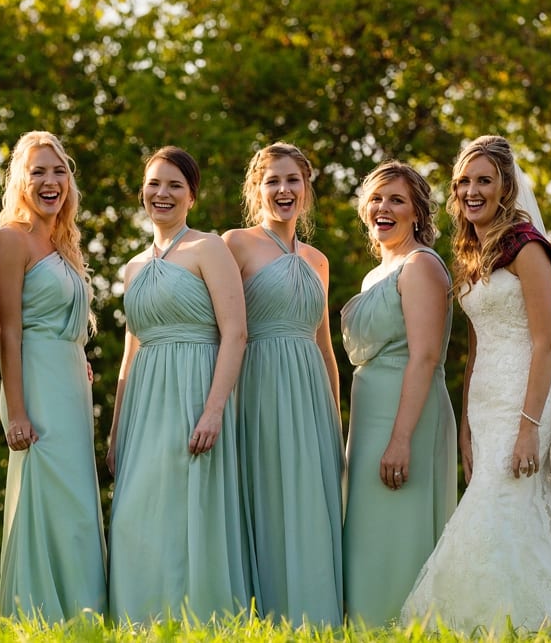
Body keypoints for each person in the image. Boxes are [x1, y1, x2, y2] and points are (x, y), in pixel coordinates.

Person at [401, 135, 551, 632]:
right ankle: (539, 617)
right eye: (464, 182)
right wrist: (467, 426)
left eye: (484, 181)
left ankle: (495, 619)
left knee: (497, 503)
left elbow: (546, 343)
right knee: (514, 511)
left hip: (525, 399)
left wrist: (528, 426)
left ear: (506, 187)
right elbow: (475, 350)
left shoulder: (528, 248)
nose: (472, 191)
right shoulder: (469, 253)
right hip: (486, 403)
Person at [107, 146, 249, 623]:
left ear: (192, 196)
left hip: (195, 390)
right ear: (142, 192)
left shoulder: (209, 248)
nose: (162, 193)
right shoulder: (132, 268)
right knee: (135, 513)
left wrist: (213, 410)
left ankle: (197, 620)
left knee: (188, 509)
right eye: (154, 184)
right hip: (144, 399)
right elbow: (130, 352)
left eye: (175, 185)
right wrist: (116, 430)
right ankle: (138, 622)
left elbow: (235, 332)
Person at [222, 142, 344, 627]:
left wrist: (335, 422)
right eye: (272, 181)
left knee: (311, 503)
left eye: (293, 180)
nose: (283, 189)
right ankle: (268, 617)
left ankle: (315, 618)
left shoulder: (319, 260)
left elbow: (325, 346)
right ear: (256, 189)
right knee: (267, 498)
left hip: (311, 396)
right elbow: (218, 331)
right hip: (258, 387)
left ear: (306, 189)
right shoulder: (235, 244)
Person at [0, 131, 107, 622]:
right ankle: (36, 615)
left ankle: (85, 615)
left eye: (58, 171)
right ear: (20, 180)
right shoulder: (10, 239)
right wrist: (16, 412)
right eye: (38, 172)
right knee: (45, 495)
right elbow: (8, 331)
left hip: (70, 384)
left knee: (76, 502)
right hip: (34, 384)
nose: (50, 181)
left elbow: (63, 317)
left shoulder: (64, 244)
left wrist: (76, 353)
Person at [340, 160, 457, 628]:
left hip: (406, 416)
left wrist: (401, 439)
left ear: (417, 212)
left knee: (401, 524)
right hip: (370, 414)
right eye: (376, 199)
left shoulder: (421, 265)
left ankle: (405, 626)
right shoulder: (375, 275)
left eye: (396, 200)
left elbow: (425, 357)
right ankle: (367, 625)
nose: (383, 208)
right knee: (368, 526)